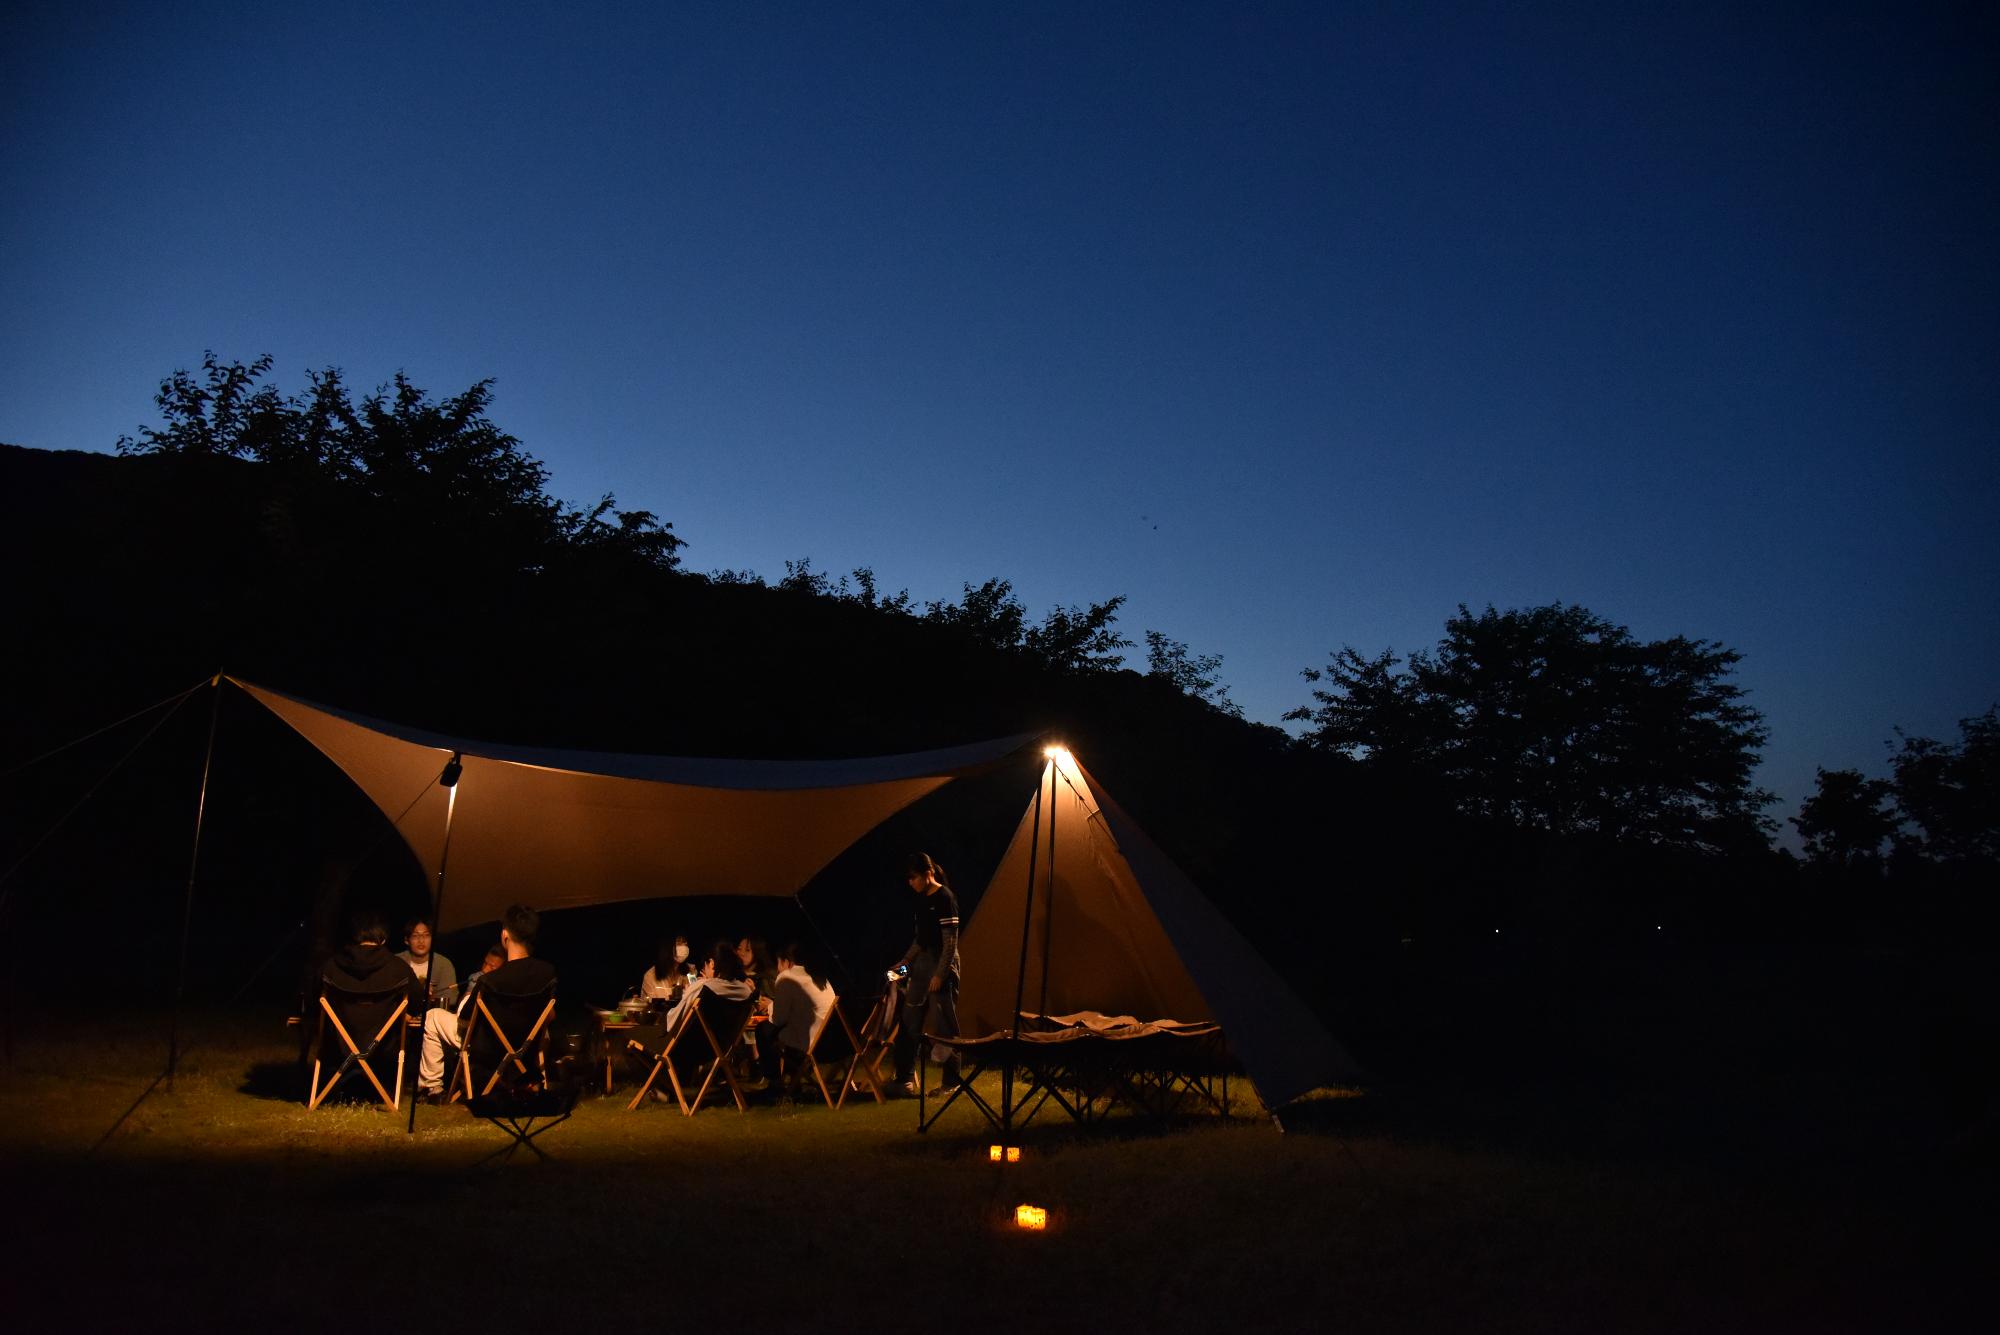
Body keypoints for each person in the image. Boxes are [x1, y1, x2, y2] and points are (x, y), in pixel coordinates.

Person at [890, 852, 961, 1095]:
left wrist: (940, 975)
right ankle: (904, 1079)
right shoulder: (920, 899)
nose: (911, 882)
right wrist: (903, 964)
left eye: (914, 877)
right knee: (910, 1019)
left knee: (945, 1023)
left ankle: (951, 1082)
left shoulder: (945, 898)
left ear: (928, 874)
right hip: (921, 964)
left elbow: (950, 943)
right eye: (908, 879)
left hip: (942, 963)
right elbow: (920, 939)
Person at [655, 940, 760, 1098]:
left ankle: (663, 1088)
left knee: (643, 1039)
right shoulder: (745, 991)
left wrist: (693, 988)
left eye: (705, 965)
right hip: (721, 1049)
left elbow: (676, 1019)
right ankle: (670, 1087)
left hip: (691, 1048)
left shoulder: (703, 987)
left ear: (711, 963)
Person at [415, 943, 504, 1099]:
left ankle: (431, 1087)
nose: (486, 969)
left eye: (493, 967)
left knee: (432, 1017)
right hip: (504, 1043)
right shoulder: (479, 979)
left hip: (482, 1040)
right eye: (485, 963)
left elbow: (464, 1016)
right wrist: (471, 988)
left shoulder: (496, 985)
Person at [762, 941, 837, 1093]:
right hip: (834, 1042)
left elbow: (778, 1019)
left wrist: (771, 1006)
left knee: (764, 1030)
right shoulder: (821, 978)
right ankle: (794, 1079)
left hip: (812, 1044)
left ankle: (775, 1082)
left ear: (787, 962)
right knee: (790, 1030)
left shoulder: (787, 977)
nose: (777, 969)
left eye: (779, 963)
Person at [321, 913, 416, 998]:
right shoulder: (400, 968)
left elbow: (315, 1001)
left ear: (354, 937)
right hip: (387, 1018)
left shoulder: (330, 967)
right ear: (383, 940)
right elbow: (417, 1005)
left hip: (340, 1018)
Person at [397, 917, 458, 1009]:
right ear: (406, 940)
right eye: (415, 936)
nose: (421, 940)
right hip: (401, 1015)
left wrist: (430, 997)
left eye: (426, 935)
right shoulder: (397, 962)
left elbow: (451, 998)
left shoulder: (443, 964)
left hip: (432, 1016)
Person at [638, 934, 693, 1004]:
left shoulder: (691, 971)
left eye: (685, 944)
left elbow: (694, 998)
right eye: (679, 943)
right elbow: (650, 1006)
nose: (684, 947)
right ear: (667, 947)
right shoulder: (651, 976)